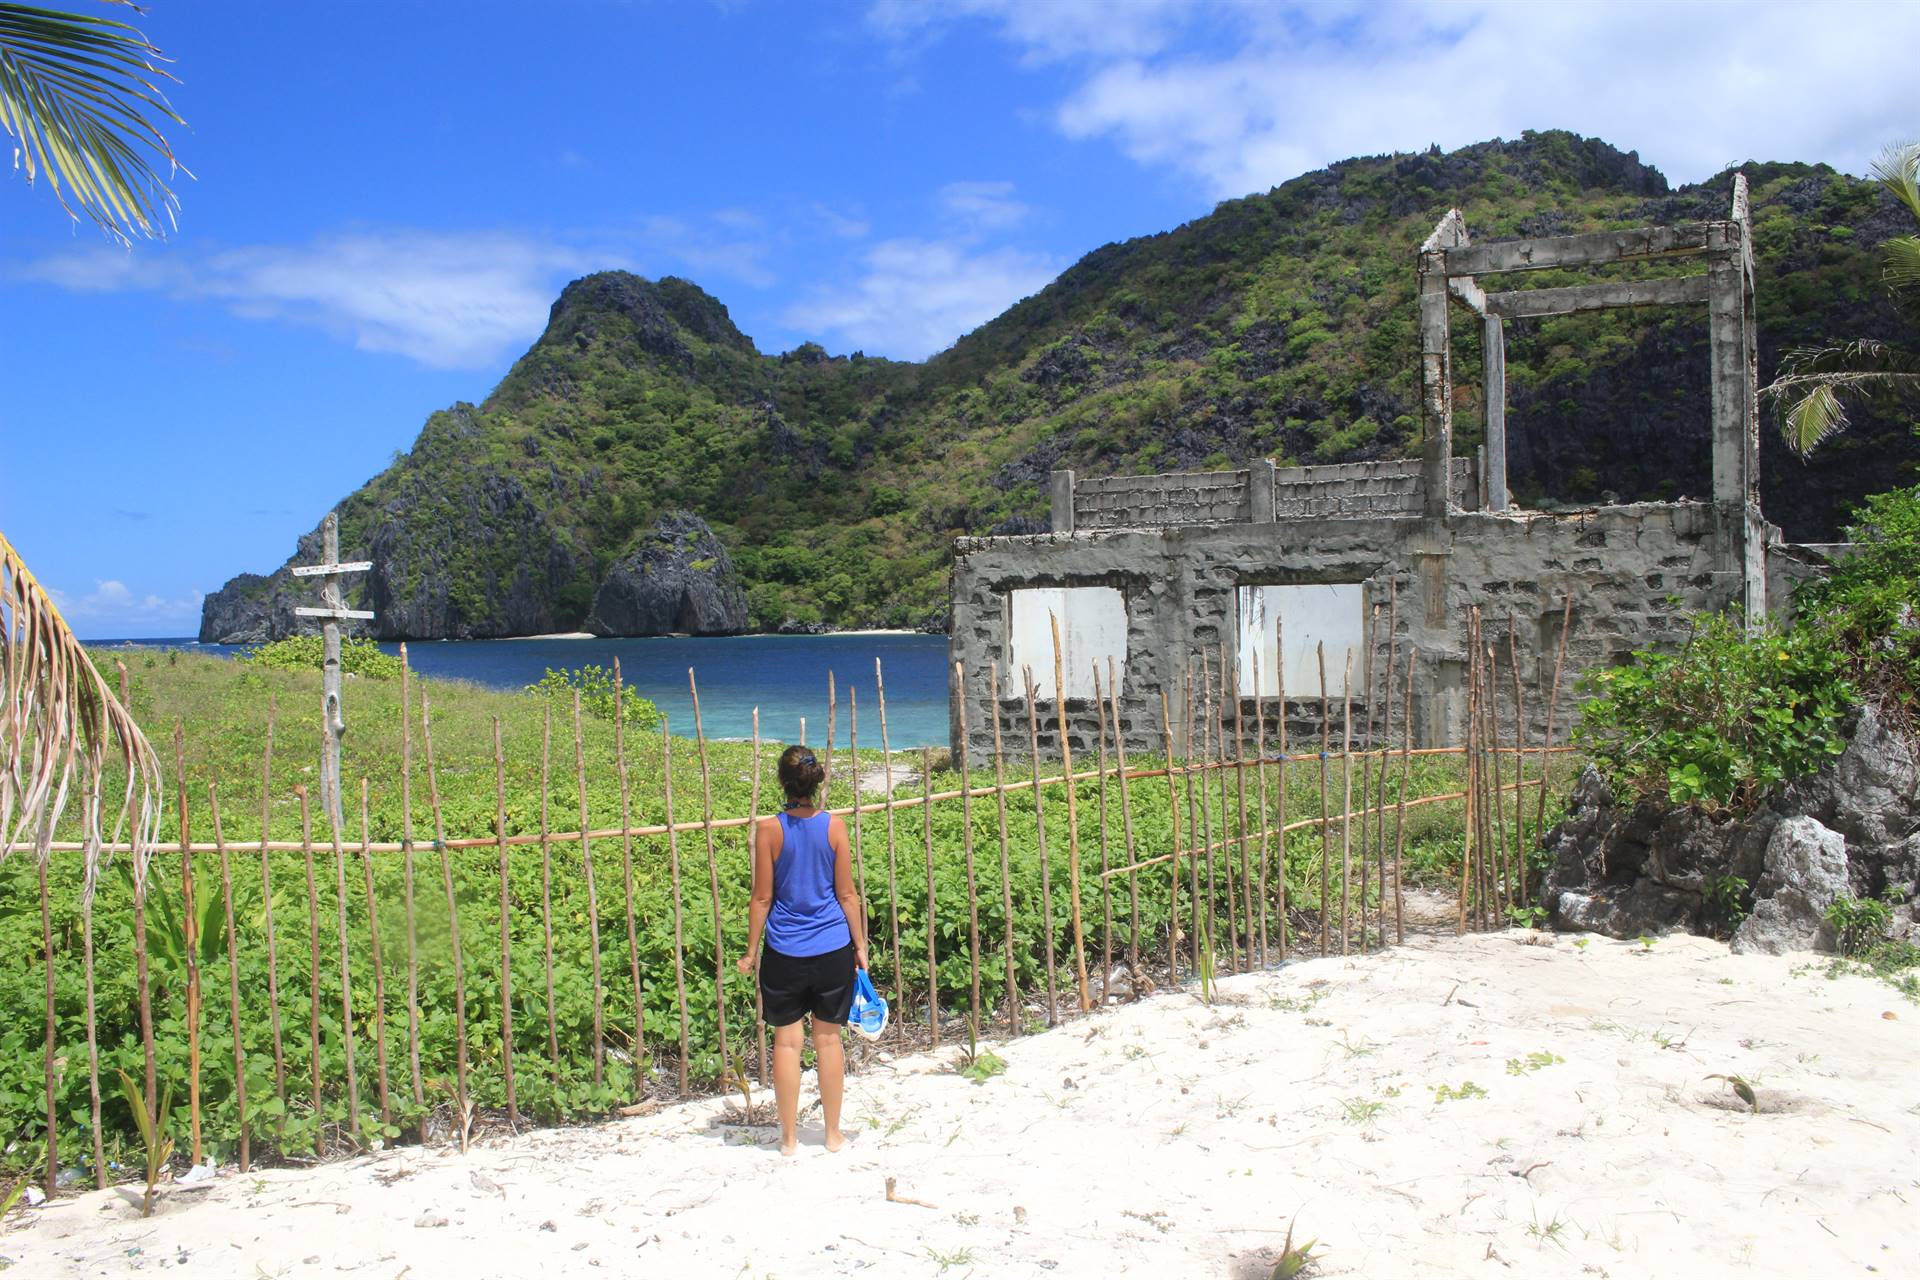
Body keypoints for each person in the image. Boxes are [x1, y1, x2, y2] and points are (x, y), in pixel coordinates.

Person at [734, 745, 868, 1155]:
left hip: (784, 951)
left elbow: (761, 900)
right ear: (817, 781)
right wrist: (860, 945)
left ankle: (789, 1139)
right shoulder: (835, 827)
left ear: (782, 782)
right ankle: (832, 1134)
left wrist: (751, 951)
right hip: (832, 948)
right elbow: (847, 894)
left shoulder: (768, 830)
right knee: (829, 1042)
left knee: (786, 1044)